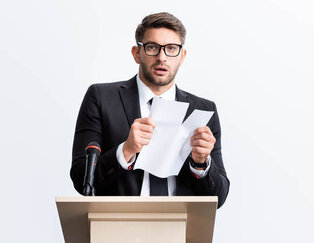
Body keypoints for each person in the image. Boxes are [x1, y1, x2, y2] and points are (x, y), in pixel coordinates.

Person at [70, 12, 229, 208]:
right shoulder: (101, 97)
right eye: (152, 47)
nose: (162, 57)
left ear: (182, 56)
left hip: (179, 230)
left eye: (171, 48)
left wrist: (201, 163)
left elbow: (219, 197)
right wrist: (125, 150)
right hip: (119, 226)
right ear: (137, 53)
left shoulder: (204, 110)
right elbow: (80, 177)